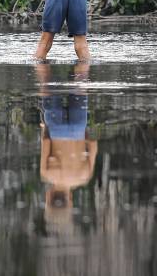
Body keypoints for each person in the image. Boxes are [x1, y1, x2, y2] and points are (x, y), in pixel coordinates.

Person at [37, 62, 98, 229]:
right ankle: (44, 65)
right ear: (48, 197)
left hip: (78, 128)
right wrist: (45, 126)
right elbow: (46, 141)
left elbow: (92, 144)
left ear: (70, 200)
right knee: (47, 84)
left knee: (80, 83)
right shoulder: (47, 174)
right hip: (55, 128)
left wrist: (81, 134)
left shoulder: (84, 177)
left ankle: (81, 65)